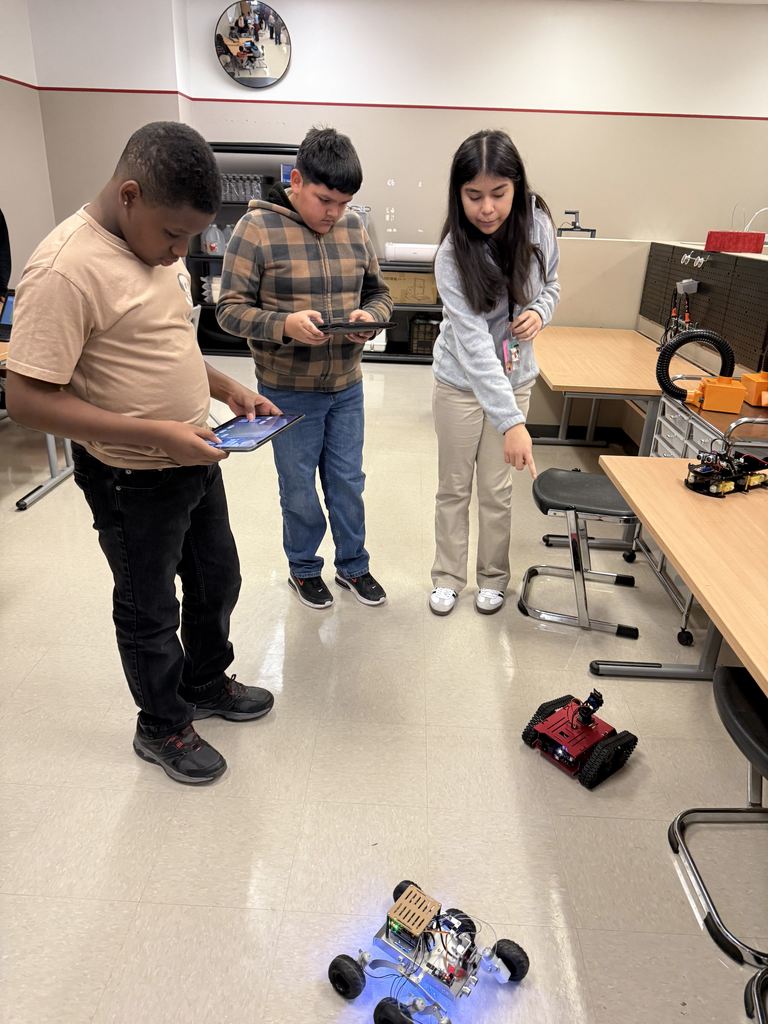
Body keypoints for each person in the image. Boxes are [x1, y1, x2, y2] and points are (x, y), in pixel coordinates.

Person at [5, 121, 279, 785]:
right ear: (129, 195)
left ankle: (206, 683)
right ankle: (161, 724)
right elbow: (27, 400)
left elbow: (163, 344)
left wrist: (225, 385)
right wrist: (156, 432)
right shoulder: (66, 269)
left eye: (188, 239)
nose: (176, 252)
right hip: (132, 477)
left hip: (194, 456)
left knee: (219, 578)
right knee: (148, 606)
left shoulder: (152, 241)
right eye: (172, 236)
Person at [216, 127, 393, 610]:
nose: (334, 213)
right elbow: (228, 310)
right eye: (324, 200)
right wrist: (284, 325)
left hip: (346, 388)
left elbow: (380, 294)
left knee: (348, 483)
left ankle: (354, 566)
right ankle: (303, 569)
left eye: (344, 202)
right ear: (296, 180)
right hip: (286, 390)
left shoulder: (354, 228)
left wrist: (369, 319)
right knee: (298, 490)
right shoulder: (254, 230)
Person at [429, 129, 560, 617]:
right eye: (474, 196)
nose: (487, 208)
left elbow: (552, 285)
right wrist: (512, 421)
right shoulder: (450, 256)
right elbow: (476, 346)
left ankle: (493, 578)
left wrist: (541, 311)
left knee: (497, 489)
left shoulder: (539, 226)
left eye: (499, 194)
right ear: (457, 194)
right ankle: (447, 576)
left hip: (516, 377)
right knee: (454, 485)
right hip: (461, 384)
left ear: (516, 187)